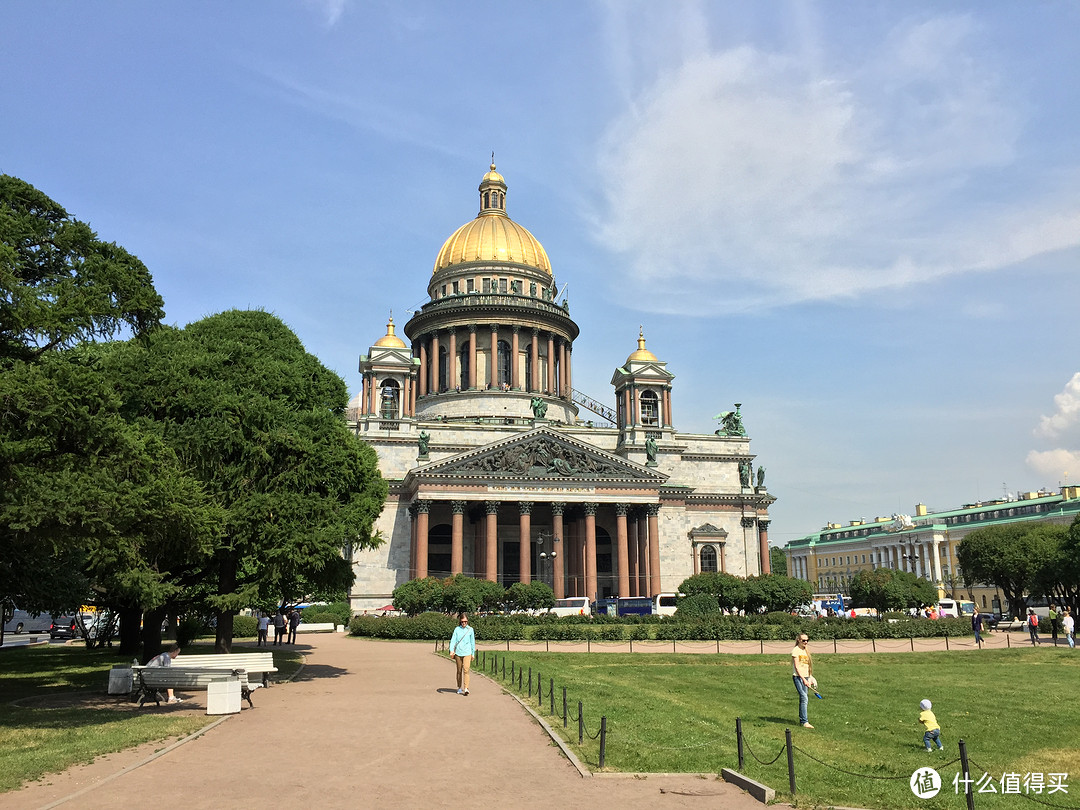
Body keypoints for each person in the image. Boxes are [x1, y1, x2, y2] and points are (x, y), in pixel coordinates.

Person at [790, 634, 815, 729]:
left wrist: (810, 677)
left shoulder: (806, 651)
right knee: (804, 697)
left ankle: (802, 720)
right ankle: (805, 721)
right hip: (798, 677)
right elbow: (796, 667)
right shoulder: (795, 651)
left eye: (807, 640)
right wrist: (803, 679)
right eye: (804, 640)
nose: (806, 642)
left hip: (806, 676)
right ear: (799, 640)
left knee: (803, 698)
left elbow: (808, 665)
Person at [449, 612, 476, 696]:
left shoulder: (470, 629)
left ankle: (466, 688)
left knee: (466, 670)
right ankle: (459, 687)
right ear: (460, 621)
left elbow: (472, 642)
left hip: (467, 652)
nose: (464, 623)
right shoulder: (457, 629)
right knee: (459, 671)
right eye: (462, 621)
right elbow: (453, 640)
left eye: (465, 621)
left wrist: (473, 653)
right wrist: (451, 650)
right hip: (458, 653)